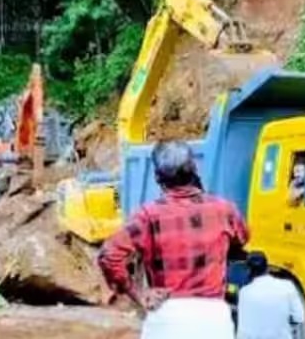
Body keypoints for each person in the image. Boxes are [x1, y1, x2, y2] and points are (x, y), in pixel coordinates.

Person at [99, 140, 249, 339]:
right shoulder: (225, 210)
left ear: (158, 177)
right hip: (214, 319)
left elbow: (109, 255)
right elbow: (242, 239)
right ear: (194, 169)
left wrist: (137, 293)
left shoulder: (148, 215)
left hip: (167, 315)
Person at [236, 251, 305, 339]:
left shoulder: (245, 292)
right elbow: (299, 318)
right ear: (267, 267)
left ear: (249, 271)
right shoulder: (287, 286)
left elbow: (243, 332)